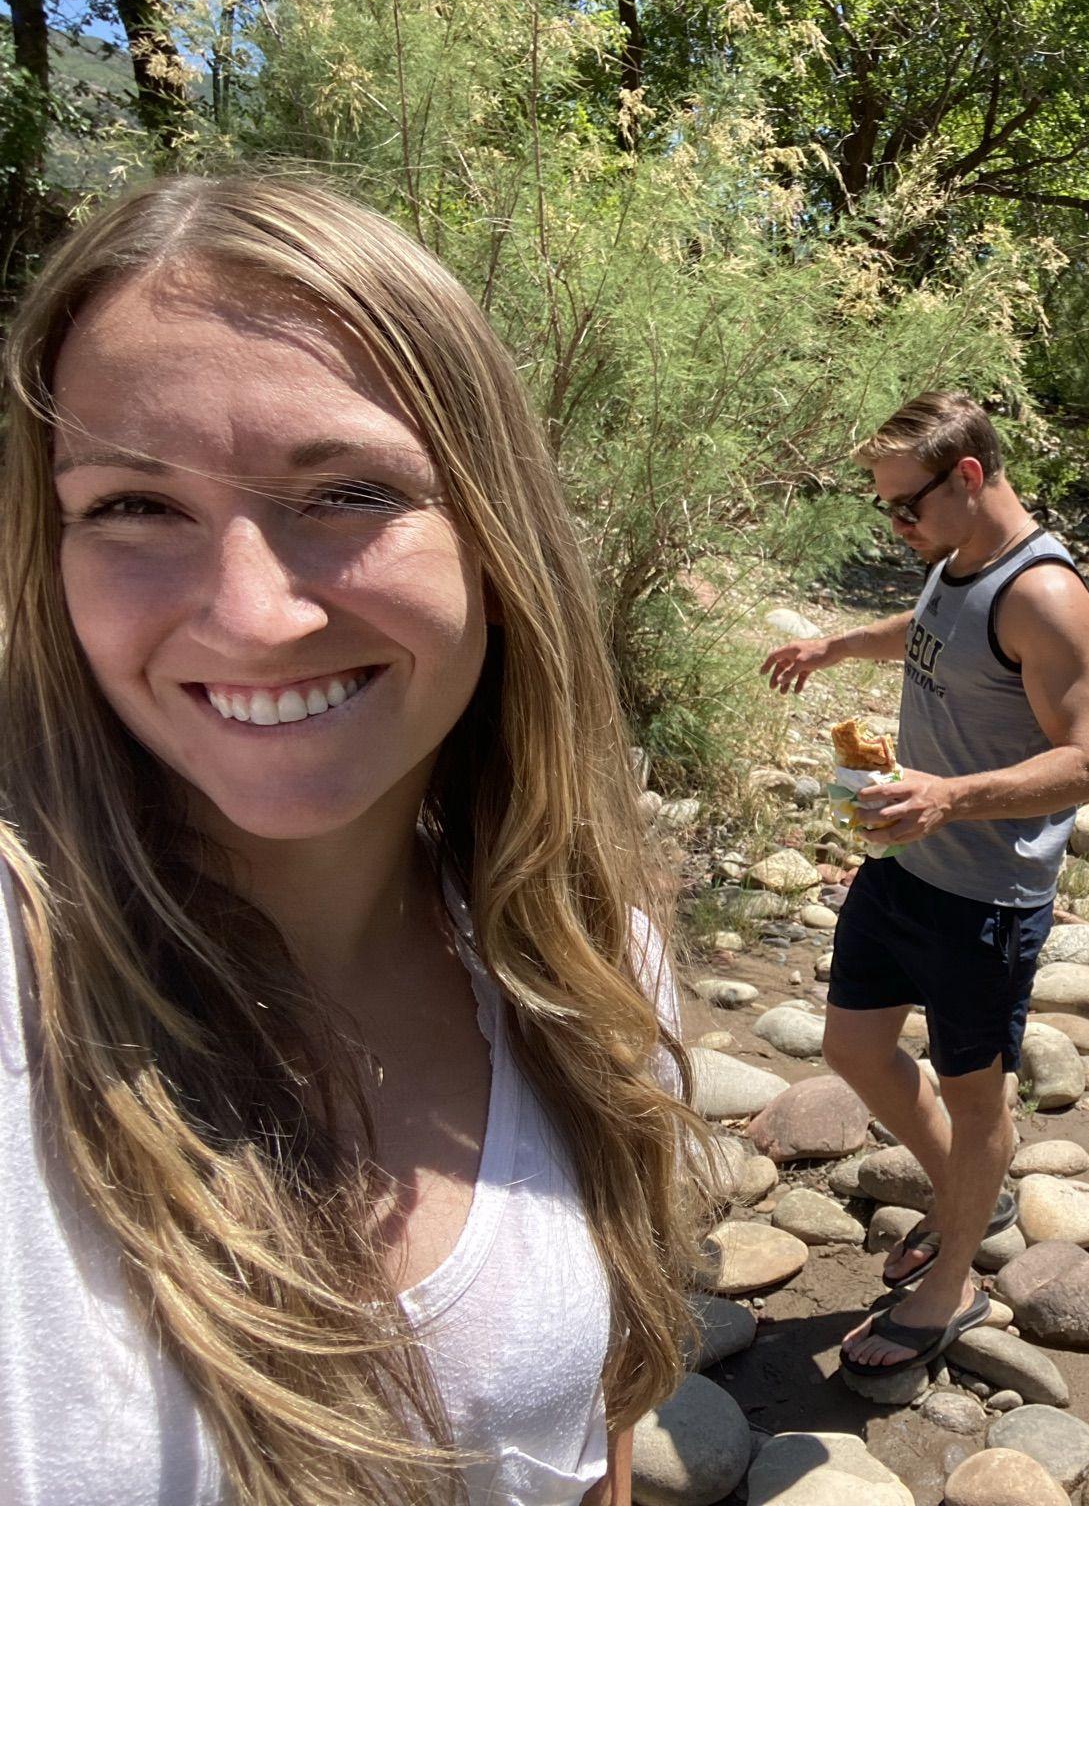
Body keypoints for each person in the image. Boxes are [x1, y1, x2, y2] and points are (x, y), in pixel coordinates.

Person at [0, 174, 716, 1504]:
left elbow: (593, 1445)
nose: (253, 618)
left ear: (496, 543)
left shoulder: (587, 974)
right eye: (133, 507)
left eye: (343, 493)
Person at [760, 393, 1089, 1381]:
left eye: (902, 506)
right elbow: (925, 629)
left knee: (976, 1099)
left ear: (966, 476)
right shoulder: (953, 561)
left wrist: (949, 795)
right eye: (884, 510)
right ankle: (967, 1188)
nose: (895, 526)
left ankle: (954, 1280)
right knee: (852, 1047)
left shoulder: (1043, 596)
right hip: (903, 864)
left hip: (984, 898)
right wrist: (834, 645)